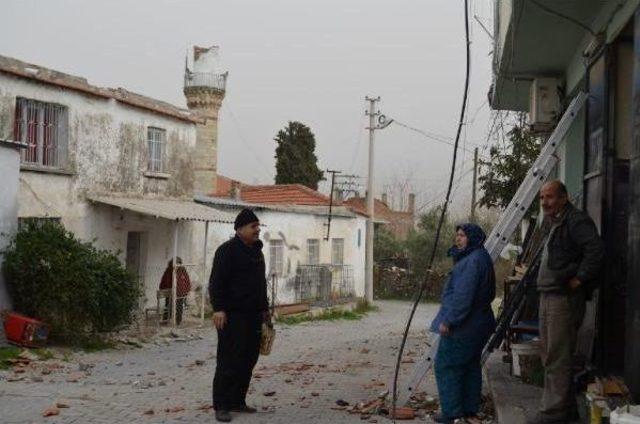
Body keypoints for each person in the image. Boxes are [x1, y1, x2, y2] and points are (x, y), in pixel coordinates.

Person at [528, 180, 604, 424]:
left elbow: (596, 251)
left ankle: (553, 413)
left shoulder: (576, 220)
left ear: (563, 197)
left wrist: (579, 279)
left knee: (557, 356)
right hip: (549, 295)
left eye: (549, 197)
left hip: (563, 299)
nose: (544, 202)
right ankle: (567, 408)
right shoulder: (555, 221)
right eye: (541, 198)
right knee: (550, 354)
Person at [430, 223, 496, 424]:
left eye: (462, 235)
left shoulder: (471, 261)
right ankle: (469, 409)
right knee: (469, 366)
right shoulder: (481, 257)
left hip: (465, 326)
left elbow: (463, 296)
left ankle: (451, 412)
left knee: (447, 365)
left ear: (473, 238)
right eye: (457, 235)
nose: (458, 239)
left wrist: (449, 320)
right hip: (480, 323)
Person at [209, 209, 270, 423]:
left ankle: (237, 400)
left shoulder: (256, 252)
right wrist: (218, 309)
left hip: (254, 315)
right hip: (232, 316)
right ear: (240, 228)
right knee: (229, 360)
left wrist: (265, 312)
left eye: (258, 226)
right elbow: (216, 282)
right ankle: (222, 405)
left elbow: (261, 285)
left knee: (248, 359)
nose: (257, 230)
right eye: (253, 226)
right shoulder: (226, 251)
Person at [159, 257, 191, 325]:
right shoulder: (168, 271)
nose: (176, 265)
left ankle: (178, 321)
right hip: (170, 293)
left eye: (177, 264)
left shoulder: (182, 270)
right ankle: (165, 321)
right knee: (168, 306)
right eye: (175, 264)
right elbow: (164, 281)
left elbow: (187, 281)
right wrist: (165, 290)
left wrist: (187, 290)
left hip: (180, 293)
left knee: (179, 307)